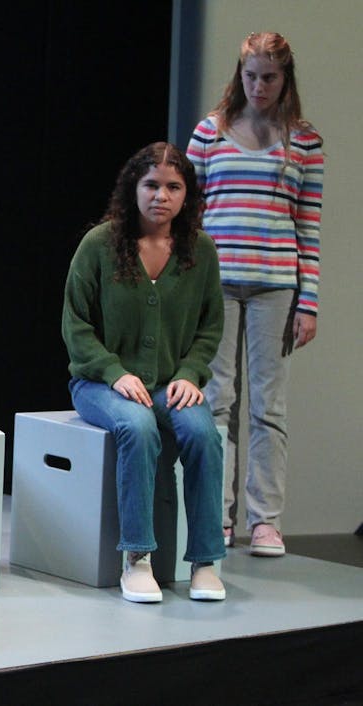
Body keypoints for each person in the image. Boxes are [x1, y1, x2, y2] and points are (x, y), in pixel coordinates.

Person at [62, 142, 227, 603]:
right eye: (151, 185)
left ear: (187, 194)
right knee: (137, 426)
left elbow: (211, 325)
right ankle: (137, 558)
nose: (161, 195)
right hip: (100, 384)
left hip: (171, 384)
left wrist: (191, 372)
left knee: (203, 435)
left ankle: (205, 562)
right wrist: (113, 372)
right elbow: (75, 324)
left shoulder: (201, 251)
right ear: (133, 188)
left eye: (173, 187)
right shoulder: (99, 245)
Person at [187, 32, 324, 557]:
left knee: (270, 406)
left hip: (275, 286)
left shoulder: (303, 141)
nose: (259, 86)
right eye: (250, 76)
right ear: (238, 75)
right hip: (215, 283)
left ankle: (264, 521)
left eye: (269, 77)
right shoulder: (210, 132)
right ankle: (215, 516)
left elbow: (307, 230)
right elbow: (189, 216)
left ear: (285, 78)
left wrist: (307, 302)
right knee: (216, 401)